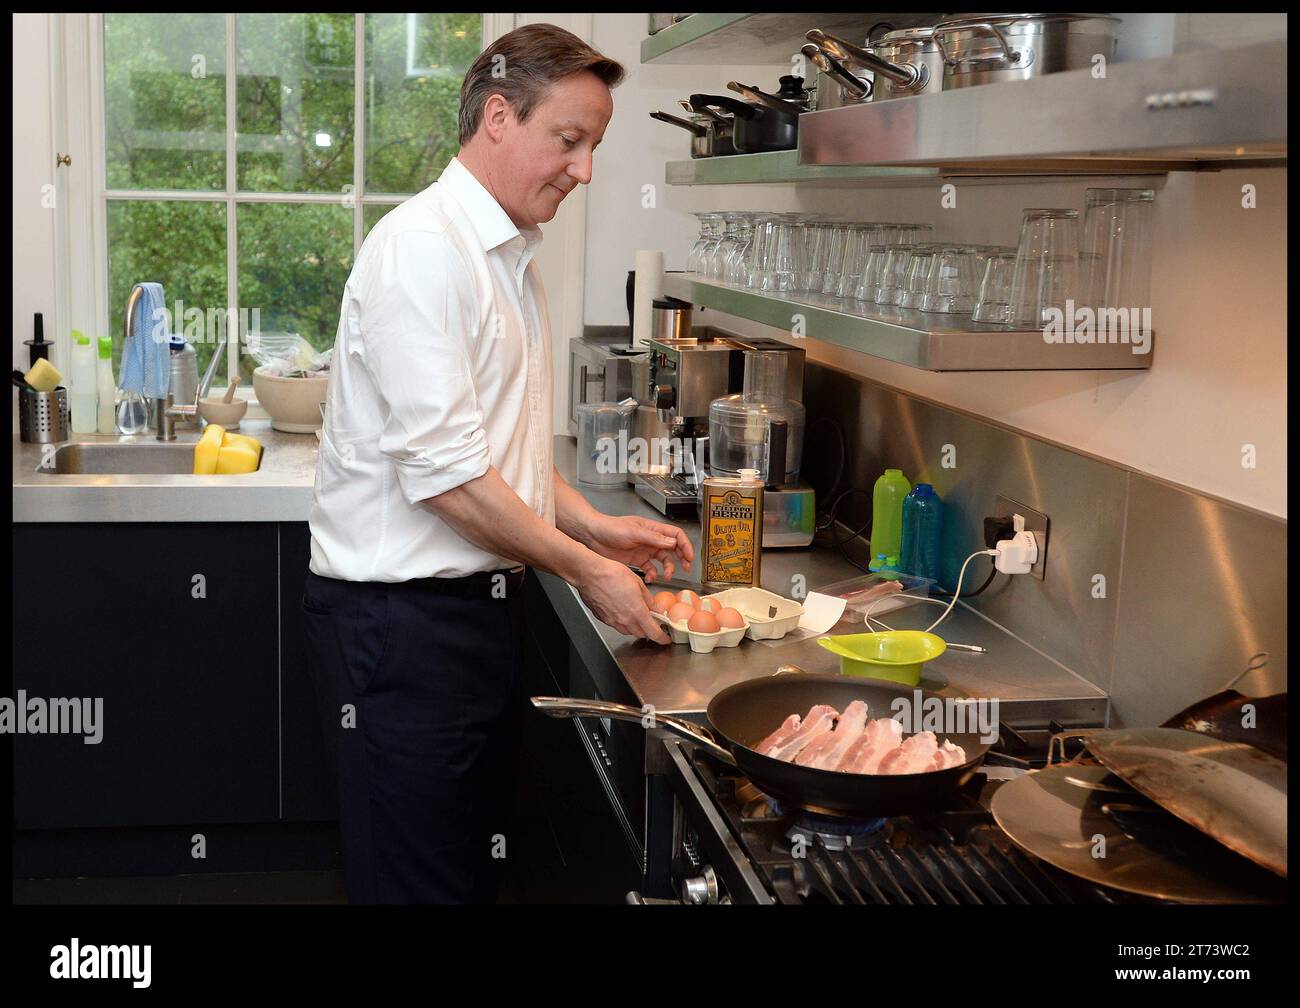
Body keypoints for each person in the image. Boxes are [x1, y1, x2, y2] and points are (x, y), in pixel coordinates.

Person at [301, 23, 691, 904]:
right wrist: (591, 570)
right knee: (416, 886)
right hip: (399, 632)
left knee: (459, 875)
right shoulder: (424, 253)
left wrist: (595, 523)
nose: (584, 170)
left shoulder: (510, 256)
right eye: (570, 139)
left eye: (594, 145)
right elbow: (448, 483)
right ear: (500, 116)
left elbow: (492, 451)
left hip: (471, 623)